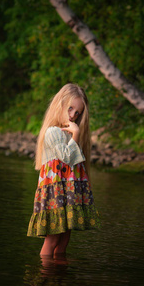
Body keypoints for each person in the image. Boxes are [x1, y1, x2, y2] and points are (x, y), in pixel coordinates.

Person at [27, 83, 100, 256]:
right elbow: (67, 157)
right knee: (52, 239)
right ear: (59, 104)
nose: (73, 116)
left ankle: (59, 273)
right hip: (55, 192)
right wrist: (75, 134)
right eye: (70, 109)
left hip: (69, 192)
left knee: (65, 237)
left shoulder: (69, 132)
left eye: (77, 113)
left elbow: (77, 166)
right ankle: (45, 273)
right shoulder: (53, 132)